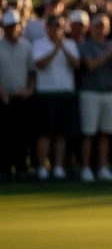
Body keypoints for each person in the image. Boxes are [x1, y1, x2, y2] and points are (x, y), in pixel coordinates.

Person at [31, 13, 80, 180]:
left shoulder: (70, 44)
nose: (55, 29)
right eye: (52, 26)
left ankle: (58, 167)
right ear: (47, 28)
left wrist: (63, 47)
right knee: (45, 133)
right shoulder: (40, 44)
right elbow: (41, 64)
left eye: (58, 26)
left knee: (61, 134)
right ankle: (43, 167)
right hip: (46, 94)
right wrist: (55, 49)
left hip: (65, 94)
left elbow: (76, 64)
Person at [78, 13, 112, 182]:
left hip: (108, 93)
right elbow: (92, 65)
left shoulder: (111, 45)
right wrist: (110, 51)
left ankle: (103, 168)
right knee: (89, 133)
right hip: (90, 94)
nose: (101, 30)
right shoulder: (86, 45)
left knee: (105, 133)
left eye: (104, 26)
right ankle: (86, 168)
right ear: (91, 28)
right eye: (98, 26)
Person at [0, 9, 35, 180]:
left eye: (14, 26)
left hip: (22, 98)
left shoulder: (26, 46)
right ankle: (4, 170)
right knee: (4, 137)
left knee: (21, 136)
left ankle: (22, 169)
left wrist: (30, 89)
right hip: (3, 99)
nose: (12, 29)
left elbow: (32, 72)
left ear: (19, 26)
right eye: (8, 27)